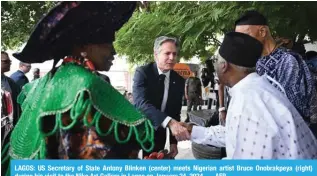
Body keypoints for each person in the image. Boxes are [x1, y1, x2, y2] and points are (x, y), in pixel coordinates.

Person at [2, 2, 154, 172]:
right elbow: (94, 155)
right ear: (84, 47)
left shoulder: (51, 79)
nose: (114, 52)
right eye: (107, 43)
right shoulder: (86, 84)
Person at [179, 32, 317, 159]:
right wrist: (194, 131)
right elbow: (236, 134)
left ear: (224, 66)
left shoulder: (247, 102)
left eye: (216, 61)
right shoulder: (255, 88)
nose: (214, 66)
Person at [220, 10, 317, 126]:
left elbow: (293, 111)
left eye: (245, 36)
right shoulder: (252, 63)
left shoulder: (288, 61)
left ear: (262, 32)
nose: (242, 43)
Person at [133, 36, 189, 158]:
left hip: (159, 134)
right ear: (156, 54)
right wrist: (169, 122)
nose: (172, 58)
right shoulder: (142, 73)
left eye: (174, 54)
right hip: (137, 132)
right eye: (167, 53)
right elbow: (141, 104)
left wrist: (174, 142)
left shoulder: (178, 80)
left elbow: (175, 112)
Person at [1, 51, 21, 175]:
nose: (9, 63)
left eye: (10, 61)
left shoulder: (11, 83)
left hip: (8, 130)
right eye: (5, 61)